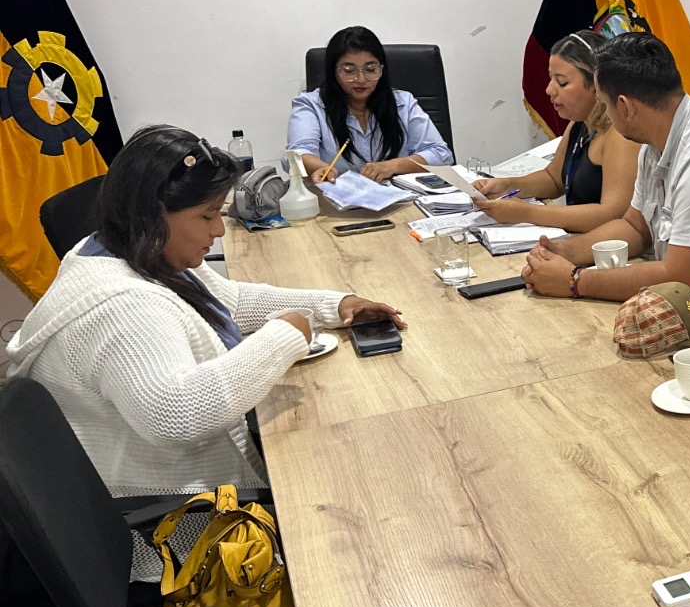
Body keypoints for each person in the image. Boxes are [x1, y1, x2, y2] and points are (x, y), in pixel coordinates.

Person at [6, 125, 405, 506]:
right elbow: (177, 414)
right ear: (153, 213)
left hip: (185, 470)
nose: (220, 230)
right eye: (207, 216)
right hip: (177, 510)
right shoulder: (122, 306)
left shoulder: (134, 247)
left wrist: (335, 305)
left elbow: (232, 302)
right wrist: (285, 335)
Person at [520, 33, 690, 315]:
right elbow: (635, 227)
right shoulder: (655, 142)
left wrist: (574, 281)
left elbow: (679, 279)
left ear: (625, 107)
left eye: (604, 105)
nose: (604, 114)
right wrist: (567, 252)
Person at [470, 31, 639, 232]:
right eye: (551, 79)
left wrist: (528, 213)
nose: (549, 90)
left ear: (597, 84)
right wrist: (505, 186)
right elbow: (553, 179)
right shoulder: (579, 124)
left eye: (562, 82)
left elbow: (613, 215)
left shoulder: (620, 135)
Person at [288, 25, 452, 181]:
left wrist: (391, 166)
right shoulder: (310, 105)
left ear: (381, 69)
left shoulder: (403, 103)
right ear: (333, 72)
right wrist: (321, 168)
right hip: (338, 197)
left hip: (399, 196)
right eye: (349, 71)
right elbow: (298, 154)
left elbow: (440, 154)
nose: (361, 79)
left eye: (370, 70)